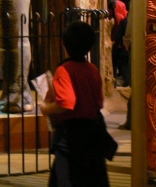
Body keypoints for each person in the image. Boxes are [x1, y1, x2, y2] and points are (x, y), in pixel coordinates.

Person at [40, 21, 112, 187]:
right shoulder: (93, 69)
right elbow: (99, 102)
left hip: (72, 136)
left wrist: (46, 109)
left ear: (64, 43)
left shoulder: (64, 70)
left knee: (65, 178)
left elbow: (66, 102)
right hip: (93, 133)